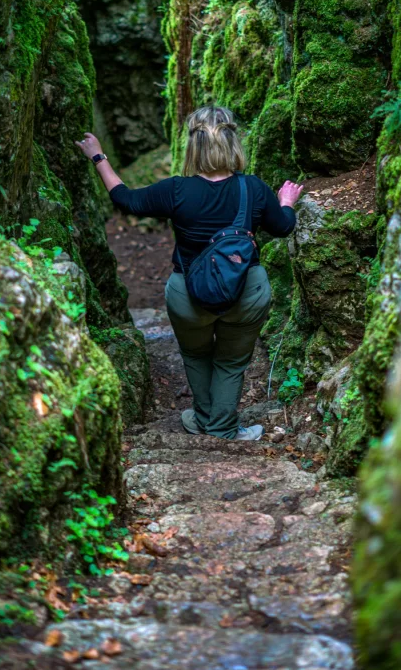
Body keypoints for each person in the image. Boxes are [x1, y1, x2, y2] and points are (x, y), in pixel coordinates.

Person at [75, 105, 303, 441]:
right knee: (230, 362)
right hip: (245, 291)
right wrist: (285, 201)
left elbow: (124, 199)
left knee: (196, 354)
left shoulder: (176, 190)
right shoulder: (253, 189)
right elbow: (283, 227)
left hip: (188, 293)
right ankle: (223, 427)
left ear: (193, 145)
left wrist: (98, 157)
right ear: (233, 142)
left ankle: (203, 418)